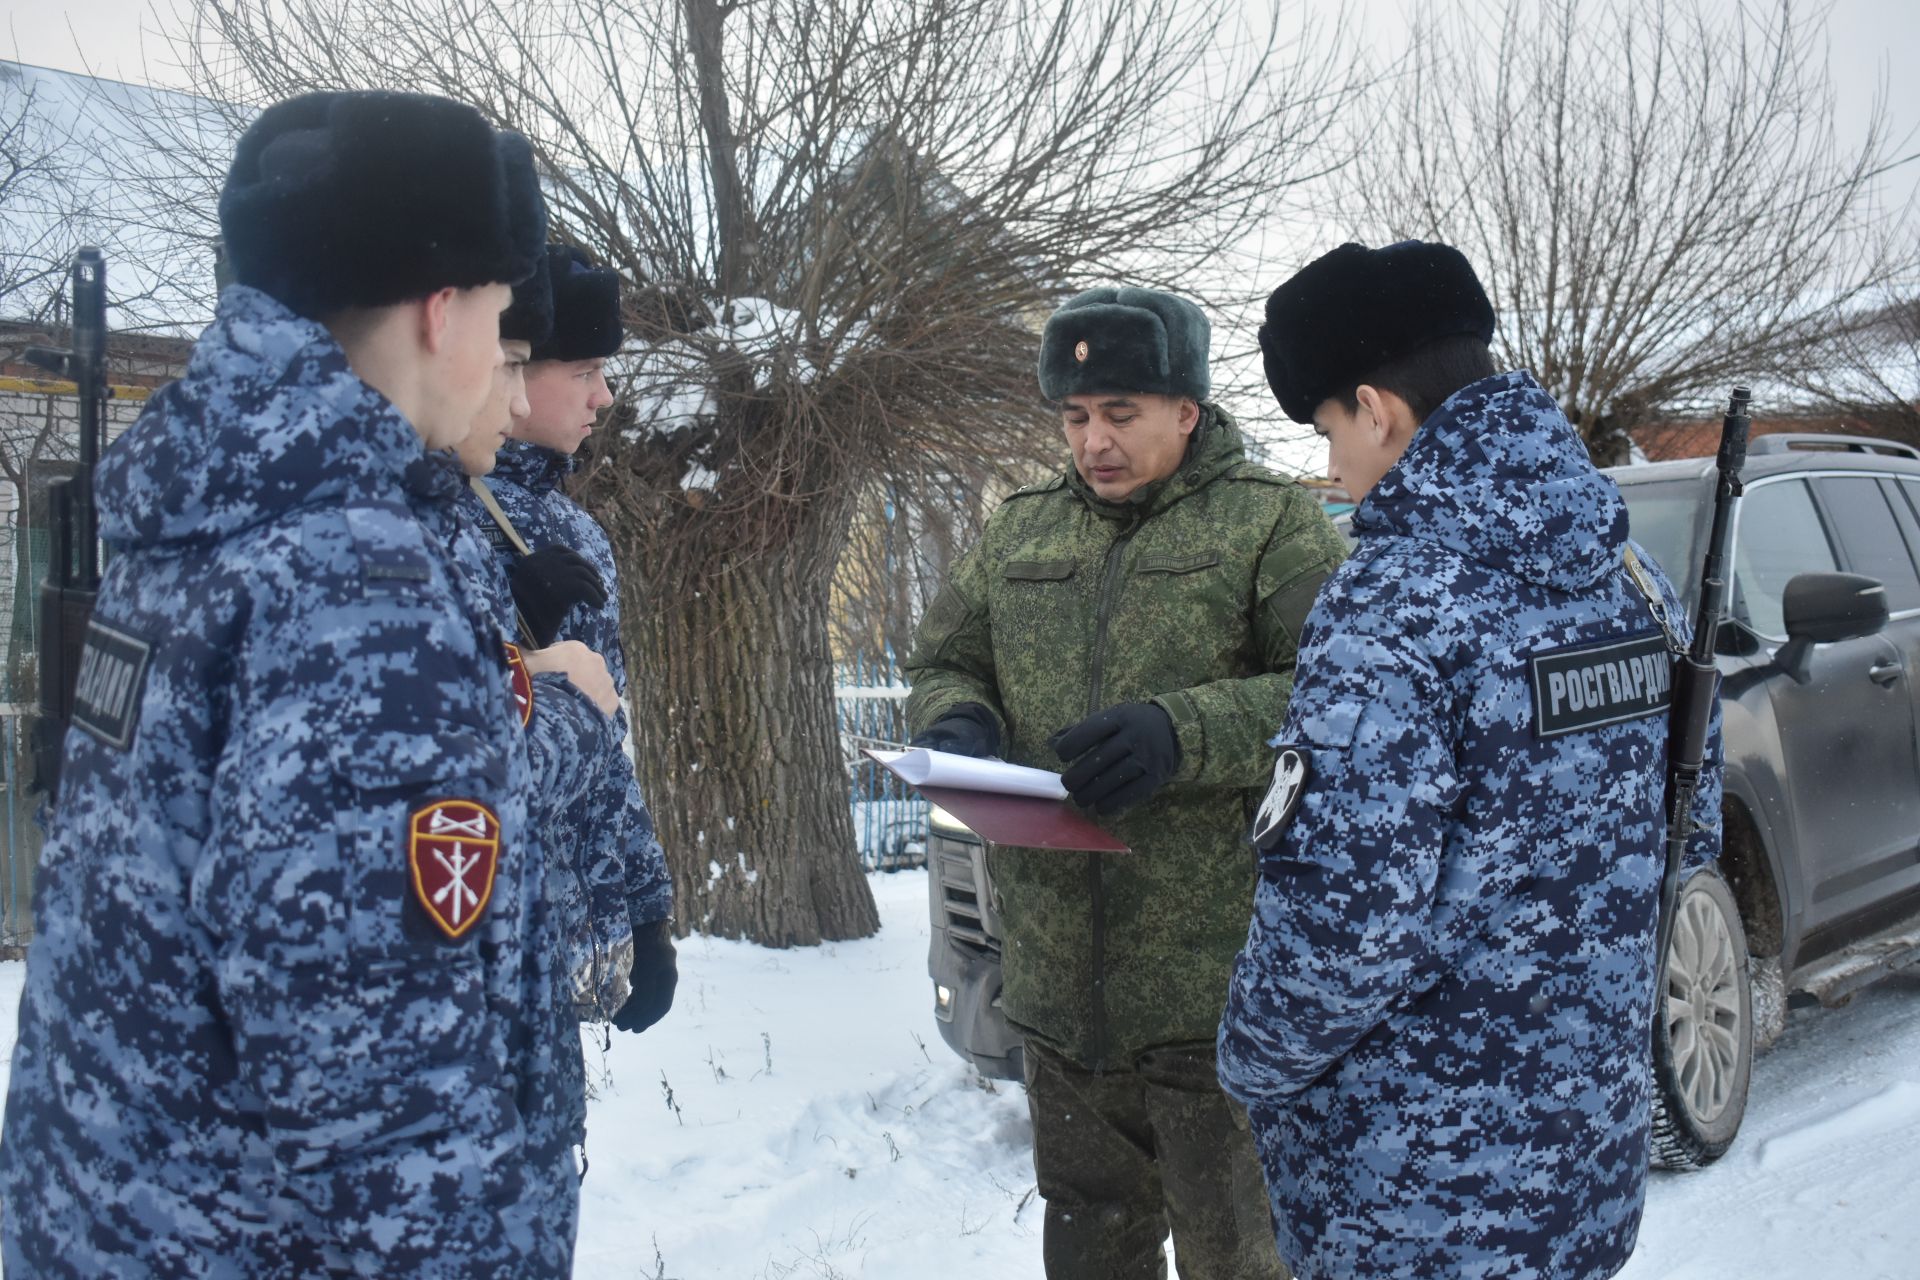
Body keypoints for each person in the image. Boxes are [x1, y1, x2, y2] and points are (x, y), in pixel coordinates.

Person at [0, 91, 614, 1276]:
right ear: (441, 312)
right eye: (498, 317)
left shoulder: (199, 513)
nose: (501, 355)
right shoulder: (349, 569)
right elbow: (383, 1082)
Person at [1216, 240, 1723, 1280]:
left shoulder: (1393, 605)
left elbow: (1342, 929)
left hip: (1413, 1200)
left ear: (1378, 407)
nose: (1330, 469)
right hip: (1582, 1170)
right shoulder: (1629, 576)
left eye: (1326, 432)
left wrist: (1249, 1060)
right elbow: (1689, 831)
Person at [905, 286, 1346, 1280]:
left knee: (1240, 1257)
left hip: (1215, 996)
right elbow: (945, 660)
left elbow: (1337, 698)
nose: (1093, 440)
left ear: (1186, 410)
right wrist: (955, 719)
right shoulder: (1020, 532)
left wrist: (1178, 730)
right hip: (1064, 1002)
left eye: (1120, 413)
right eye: (1074, 416)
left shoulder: (1271, 525)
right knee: (1094, 1253)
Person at [479, 242, 677, 1034]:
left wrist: (645, 909)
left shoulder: (576, 531)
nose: (605, 395)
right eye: (584, 370)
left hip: (566, 934)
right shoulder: (439, 513)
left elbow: (606, 739)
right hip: (488, 928)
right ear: (517, 370)